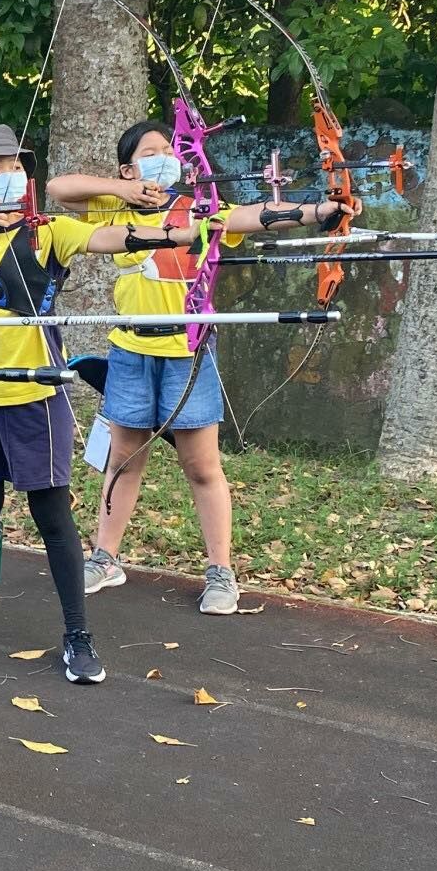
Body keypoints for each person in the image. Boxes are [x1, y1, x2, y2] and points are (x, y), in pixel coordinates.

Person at [0, 124, 181, 683]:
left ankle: (77, 634)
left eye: (14, 168)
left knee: (52, 517)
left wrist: (160, 236)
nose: (7, 178)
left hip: (35, 396)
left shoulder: (47, 233)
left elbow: (108, 240)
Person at [47, 120, 350, 614]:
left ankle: (220, 572)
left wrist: (318, 210)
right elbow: (61, 188)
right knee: (123, 457)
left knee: (201, 465)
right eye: (151, 152)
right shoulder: (114, 205)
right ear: (129, 167)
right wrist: (123, 188)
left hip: (187, 351)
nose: (167, 156)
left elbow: (255, 215)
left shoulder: (201, 208)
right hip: (130, 348)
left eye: (171, 148)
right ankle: (105, 557)